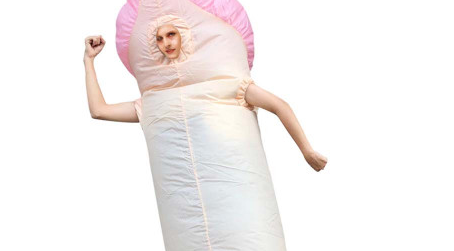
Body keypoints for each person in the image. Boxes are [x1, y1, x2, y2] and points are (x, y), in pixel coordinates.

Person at [83, 33, 328, 172]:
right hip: (188, 199)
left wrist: (306, 150)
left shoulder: (226, 83)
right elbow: (99, 111)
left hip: (236, 187)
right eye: (159, 38)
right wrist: (89, 60)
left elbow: (278, 105)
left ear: (185, 36)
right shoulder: (158, 102)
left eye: (171, 34)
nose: (166, 43)